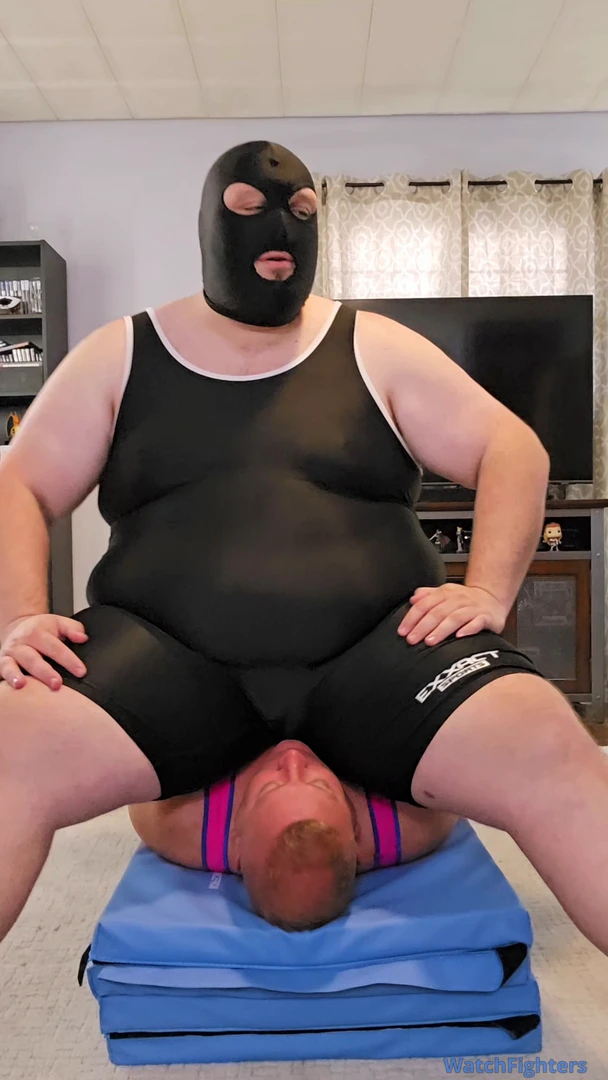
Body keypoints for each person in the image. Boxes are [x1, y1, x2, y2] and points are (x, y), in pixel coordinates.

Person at [0, 142, 607, 946]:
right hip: (167, 664)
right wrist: (21, 615)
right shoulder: (123, 352)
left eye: (302, 212)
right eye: (251, 211)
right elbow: (19, 481)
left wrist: (488, 592)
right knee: (10, 745)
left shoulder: (374, 345)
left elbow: (513, 449)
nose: (280, 229)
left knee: (545, 739)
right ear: (211, 224)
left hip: (379, 659)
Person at [128, 739, 458, 930]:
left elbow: (139, 794)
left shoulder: (188, 825)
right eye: (322, 786)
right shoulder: (409, 824)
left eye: (268, 788)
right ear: (357, 835)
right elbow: (453, 790)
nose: (293, 757)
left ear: (236, 843)